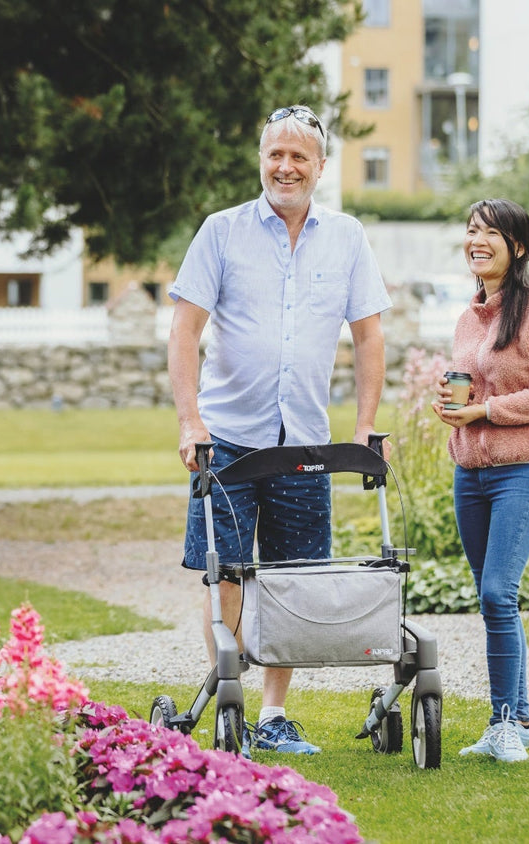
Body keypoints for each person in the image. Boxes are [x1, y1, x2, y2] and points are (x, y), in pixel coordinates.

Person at [166, 104, 392, 756]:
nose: (286, 167)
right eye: (275, 155)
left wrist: (366, 425)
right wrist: (191, 421)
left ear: (321, 166)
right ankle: (229, 705)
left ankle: (271, 715)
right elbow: (184, 329)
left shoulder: (346, 237)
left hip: (305, 443)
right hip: (230, 438)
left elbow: (369, 335)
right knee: (227, 575)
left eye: (299, 157)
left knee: (293, 581)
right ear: (260, 160)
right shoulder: (221, 231)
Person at [431, 198, 529, 763]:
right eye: (471, 231)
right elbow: (475, 387)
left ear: (516, 246)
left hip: (523, 468)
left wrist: (487, 413)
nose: (478, 240)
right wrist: (455, 407)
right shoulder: (468, 317)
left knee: (498, 593)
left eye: (490, 232)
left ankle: (502, 723)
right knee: (495, 601)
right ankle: (523, 722)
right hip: (471, 472)